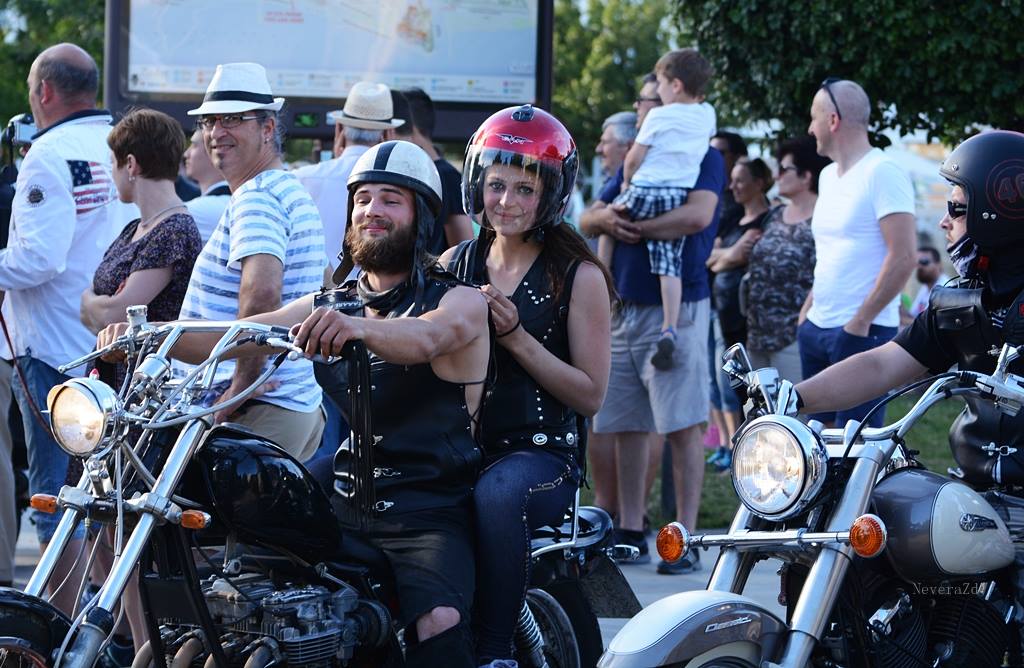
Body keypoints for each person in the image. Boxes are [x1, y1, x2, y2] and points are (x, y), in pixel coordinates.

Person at [98, 139, 490, 667]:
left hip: (429, 505)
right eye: (363, 199)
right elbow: (242, 333)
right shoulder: (338, 300)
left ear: (421, 214)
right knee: (244, 586)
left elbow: (423, 340)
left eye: (391, 199)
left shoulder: (457, 298)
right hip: (346, 492)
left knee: (436, 623)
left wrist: (359, 329)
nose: (372, 210)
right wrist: (150, 334)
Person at [439, 105, 612, 667]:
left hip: (541, 458)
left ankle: (495, 655)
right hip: (459, 447)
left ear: (552, 194)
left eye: (524, 188)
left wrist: (515, 338)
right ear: (476, 184)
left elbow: (590, 395)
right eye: (496, 185)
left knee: (499, 494)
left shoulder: (578, 275)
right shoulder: (453, 263)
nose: (507, 201)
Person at [794, 130, 1024, 486]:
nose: (944, 222)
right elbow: (881, 364)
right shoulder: (960, 305)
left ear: (1000, 211)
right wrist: (793, 398)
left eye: (957, 208)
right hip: (977, 496)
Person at [0, 43, 131, 613]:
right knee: (109, 501)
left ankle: (57, 634)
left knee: (55, 502)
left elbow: (35, 261)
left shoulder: (47, 154)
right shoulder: (117, 146)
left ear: (44, 93)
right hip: (115, 347)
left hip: (53, 352)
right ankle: (113, 628)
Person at [579, 73, 724, 574]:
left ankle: (682, 535)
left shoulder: (705, 156)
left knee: (683, 425)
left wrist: (630, 228)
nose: (644, 110)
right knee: (627, 423)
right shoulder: (634, 167)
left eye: (648, 100)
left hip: (676, 314)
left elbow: (699, 217)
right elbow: (590, 218)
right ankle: (631, 529)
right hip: (621, 308)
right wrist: (605, 222)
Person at [180, 62, 326, 461]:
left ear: (267, 128)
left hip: (256, 408)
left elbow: (261, 293)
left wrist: (235, 392)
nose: (215, 132)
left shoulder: (256, 195)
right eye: (209, 121)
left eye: (232, 119)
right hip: (284, 402)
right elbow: (321, 282)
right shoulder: (285, 187)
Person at [798, 78, 916, 428]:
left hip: (861, 333)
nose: (810, 128)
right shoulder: (826, 177)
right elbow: (832, 253)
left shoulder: (882, 171)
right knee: (812, 448)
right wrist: (807, 313)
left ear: (833, 120)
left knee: (853, 449)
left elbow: (904, 256)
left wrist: (860, 321)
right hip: (817, 327)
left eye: (813, 117)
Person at [597, 48, 716, 370]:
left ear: (675, 85)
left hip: (646, 190)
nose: (656, 97)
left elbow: (634, 159)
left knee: (610, 220)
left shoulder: (659, 117)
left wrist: (627, 183)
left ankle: (603, 287)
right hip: (676, 195)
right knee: (668, 265)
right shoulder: (707, 114)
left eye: (660, 85)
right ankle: (670, 326)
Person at [81, 108, 202, 385]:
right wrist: (104, 304)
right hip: (115, 378)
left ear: (131, 164)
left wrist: (94, 301)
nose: (113, 174)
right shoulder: (134, 229)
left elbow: (112, 315)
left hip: (143, 390)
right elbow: (103, 312)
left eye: (113, 163)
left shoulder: (174, 231)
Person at [742, 136, 830, 384]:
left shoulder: (823, 219)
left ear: (806, 176)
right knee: (761, 418)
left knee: (791, 417)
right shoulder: (774, 215)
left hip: (793, 339)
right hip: (757, 335)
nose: (777, 175)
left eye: (784, 169)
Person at [293, 81, 404, 275]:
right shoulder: (401, 189)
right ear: (388, 134)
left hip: (309, 301)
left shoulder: (300, 179)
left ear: (339, 130)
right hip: (373, 300)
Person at [707, 157, 773, 347]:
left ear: (758, 183)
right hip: (723, 315)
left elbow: (734, 257)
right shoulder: (732, 220)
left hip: (748, 321)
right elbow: (707, 258)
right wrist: (731, 253)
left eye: (740, 181)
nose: (732, 186)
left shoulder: (768, 220)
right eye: (732, 180)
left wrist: (719, 258)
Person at [399, 87, 474, 254]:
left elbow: (464, 249)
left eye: (394, 127)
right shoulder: (406, 172)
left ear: (411, 129)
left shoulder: (448, 177)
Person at [183, 126, 230, 244]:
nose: (186, 154)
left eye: (194, 145)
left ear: (214, 151)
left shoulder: (195, 211)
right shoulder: (233, 202)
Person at [901, 245, 950, 326]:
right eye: (917, 262)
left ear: (939, 264)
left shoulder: (946, 288)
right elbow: (914, 316)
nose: (919, 266)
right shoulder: (926, 287)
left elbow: (932, 325)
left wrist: (903, 320)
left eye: (924, 262)